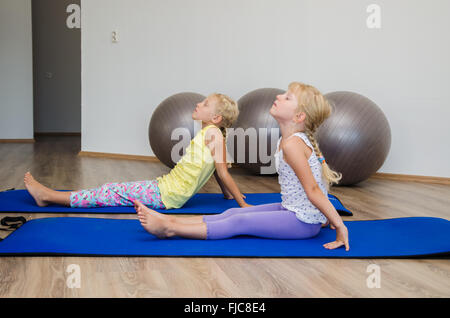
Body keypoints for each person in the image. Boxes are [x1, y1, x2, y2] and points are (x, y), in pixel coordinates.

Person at [133, 82, 350, 251]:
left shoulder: (293, 144)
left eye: (286, 97)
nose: (278, 96)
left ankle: (170, 228)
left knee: (240, 220)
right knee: (233, 212)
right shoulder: (289, 140)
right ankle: (169, 220)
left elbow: (313, 189)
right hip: (295, 212)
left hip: (302, 222)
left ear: (299, 116)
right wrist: (324, 217)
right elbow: (315, 186)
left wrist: (338, 224)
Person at [24, 93, 251, 210]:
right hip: (165, 188)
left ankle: (47, 196)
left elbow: (222, 172)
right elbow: (216, 169)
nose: (198, 104)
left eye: (205, 103)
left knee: (109, 192)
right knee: (113, 189)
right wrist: (228, 196)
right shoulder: (213, 134)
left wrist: (242, 204)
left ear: (215, 118)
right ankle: (50, 196)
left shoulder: (211, 134)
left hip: (166, 195)